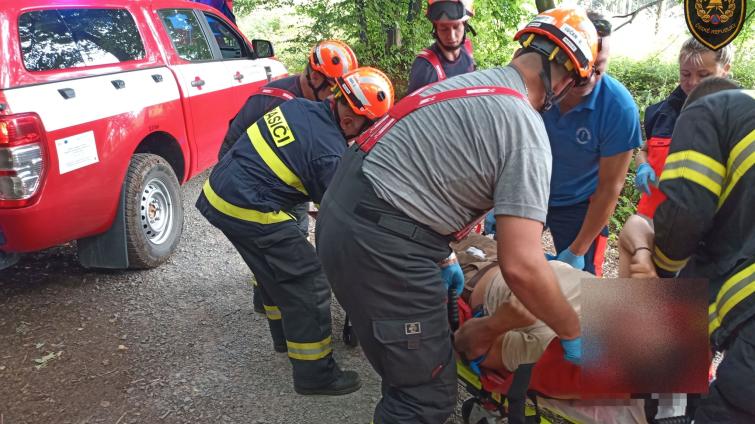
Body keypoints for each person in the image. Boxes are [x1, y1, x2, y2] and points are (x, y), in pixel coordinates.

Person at [315, 7, 598, 423]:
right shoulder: (524, 130)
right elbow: (521, 265)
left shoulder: (472, 85)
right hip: (381, 241)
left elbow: (427, 169)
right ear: (568, 78)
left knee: (408, 373)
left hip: (351, 211)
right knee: (424, 396)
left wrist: (443, 254)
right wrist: (572, 333)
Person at [196, 67, 394, 395]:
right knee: (309, 280)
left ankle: (283, 339)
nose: (366, 135)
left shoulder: (300, 105)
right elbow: (340, 216)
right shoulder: (330, 152)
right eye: (368, 128)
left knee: (273, 272)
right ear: (349, 122)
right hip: (250, 204)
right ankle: (316, 375)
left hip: (221, 193)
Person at [619, 81, 755, 423]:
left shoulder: (710, 111)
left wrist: (658, 277)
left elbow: (682, 216)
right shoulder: (736, 212)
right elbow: (636, 225)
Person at [218, 40, 358, 313]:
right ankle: (273, 299)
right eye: (335, 89)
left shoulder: (312, 101)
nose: (338, 99)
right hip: (252, 180)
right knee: (276, 241)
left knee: (296, 232)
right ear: (315, 77)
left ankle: (277, 296)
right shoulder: (278, 102)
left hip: (285, 176)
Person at [539, 11, 641, 276]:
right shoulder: (538, 85)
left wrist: (578, 249)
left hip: (579, 205)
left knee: (585, 289)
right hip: (532, 192)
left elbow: (610, 188)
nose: (589, 75)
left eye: (600, 66)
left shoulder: (618, 108)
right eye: (584, 63)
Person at [634, 38, 733, 218]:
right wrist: (643, 166)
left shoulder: (737, 120)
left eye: (704, 75)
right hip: (648, 220)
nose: (693, 82)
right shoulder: (662, 113)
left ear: (725, 70)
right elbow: (644, 151)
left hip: (700, 230)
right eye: (685, 74)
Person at [406, 0, 476, 94]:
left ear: (465, 25)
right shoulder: (425, 68)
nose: (451, 36)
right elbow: (412, 106)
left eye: (456, 27)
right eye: (444, 28)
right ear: (436, 29)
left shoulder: (467, 49)